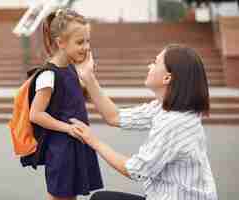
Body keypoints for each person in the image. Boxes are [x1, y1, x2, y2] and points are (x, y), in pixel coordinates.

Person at [70, 44, 218, 200]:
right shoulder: (164, 107)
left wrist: (93, 141)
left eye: (155, 62)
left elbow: (135, 170)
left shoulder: (175, 122)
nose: (150, 66)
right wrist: (88, 77)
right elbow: (115, 116)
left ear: (167, 78)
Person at [29, 8, 103, 200]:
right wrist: (68, 129)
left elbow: (75, 100)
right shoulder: (48, 75)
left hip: (76, 143)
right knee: (60, 196)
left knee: (71, 196)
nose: (86, 47)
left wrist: (88, 76)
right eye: (80, 42)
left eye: (88, 41)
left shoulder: (71, 67)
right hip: (62, 149)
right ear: (61, 43)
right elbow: (35, 114)